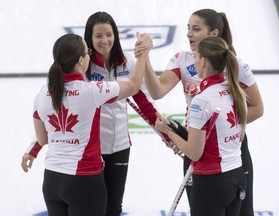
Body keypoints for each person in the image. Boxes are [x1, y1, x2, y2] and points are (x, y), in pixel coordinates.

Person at [22, 11, 167, 216]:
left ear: (115, 35)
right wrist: (33, 148)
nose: (104, 40)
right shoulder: (83, 69)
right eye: (98, 36)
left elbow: (143, 102)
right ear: (88, 40)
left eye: (109, 34)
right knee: (95, 204)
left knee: (114, 207)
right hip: (90, 151)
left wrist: (169, 137)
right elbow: (57, 113)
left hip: (119, 147)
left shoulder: (127, 62)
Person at [135, 8, 263, 216]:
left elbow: (257, 108)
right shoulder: (183, 59)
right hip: (198, 142)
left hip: (230, 147)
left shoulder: (234, 64)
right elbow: (157, 91)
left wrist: (218, 129)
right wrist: (146, 58)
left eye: (196, 29)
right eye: (188, 28)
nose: (188, 34)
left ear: (213, 33)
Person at [155, 36, 247, 216]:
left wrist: (167, 131)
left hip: (211, 182)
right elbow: (237, 136)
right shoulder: (235, 90)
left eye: (196, 57)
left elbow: (193, 152)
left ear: (203, 61)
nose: (193, 61)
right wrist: (177, 129)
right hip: (236, 175)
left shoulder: (202, 100)